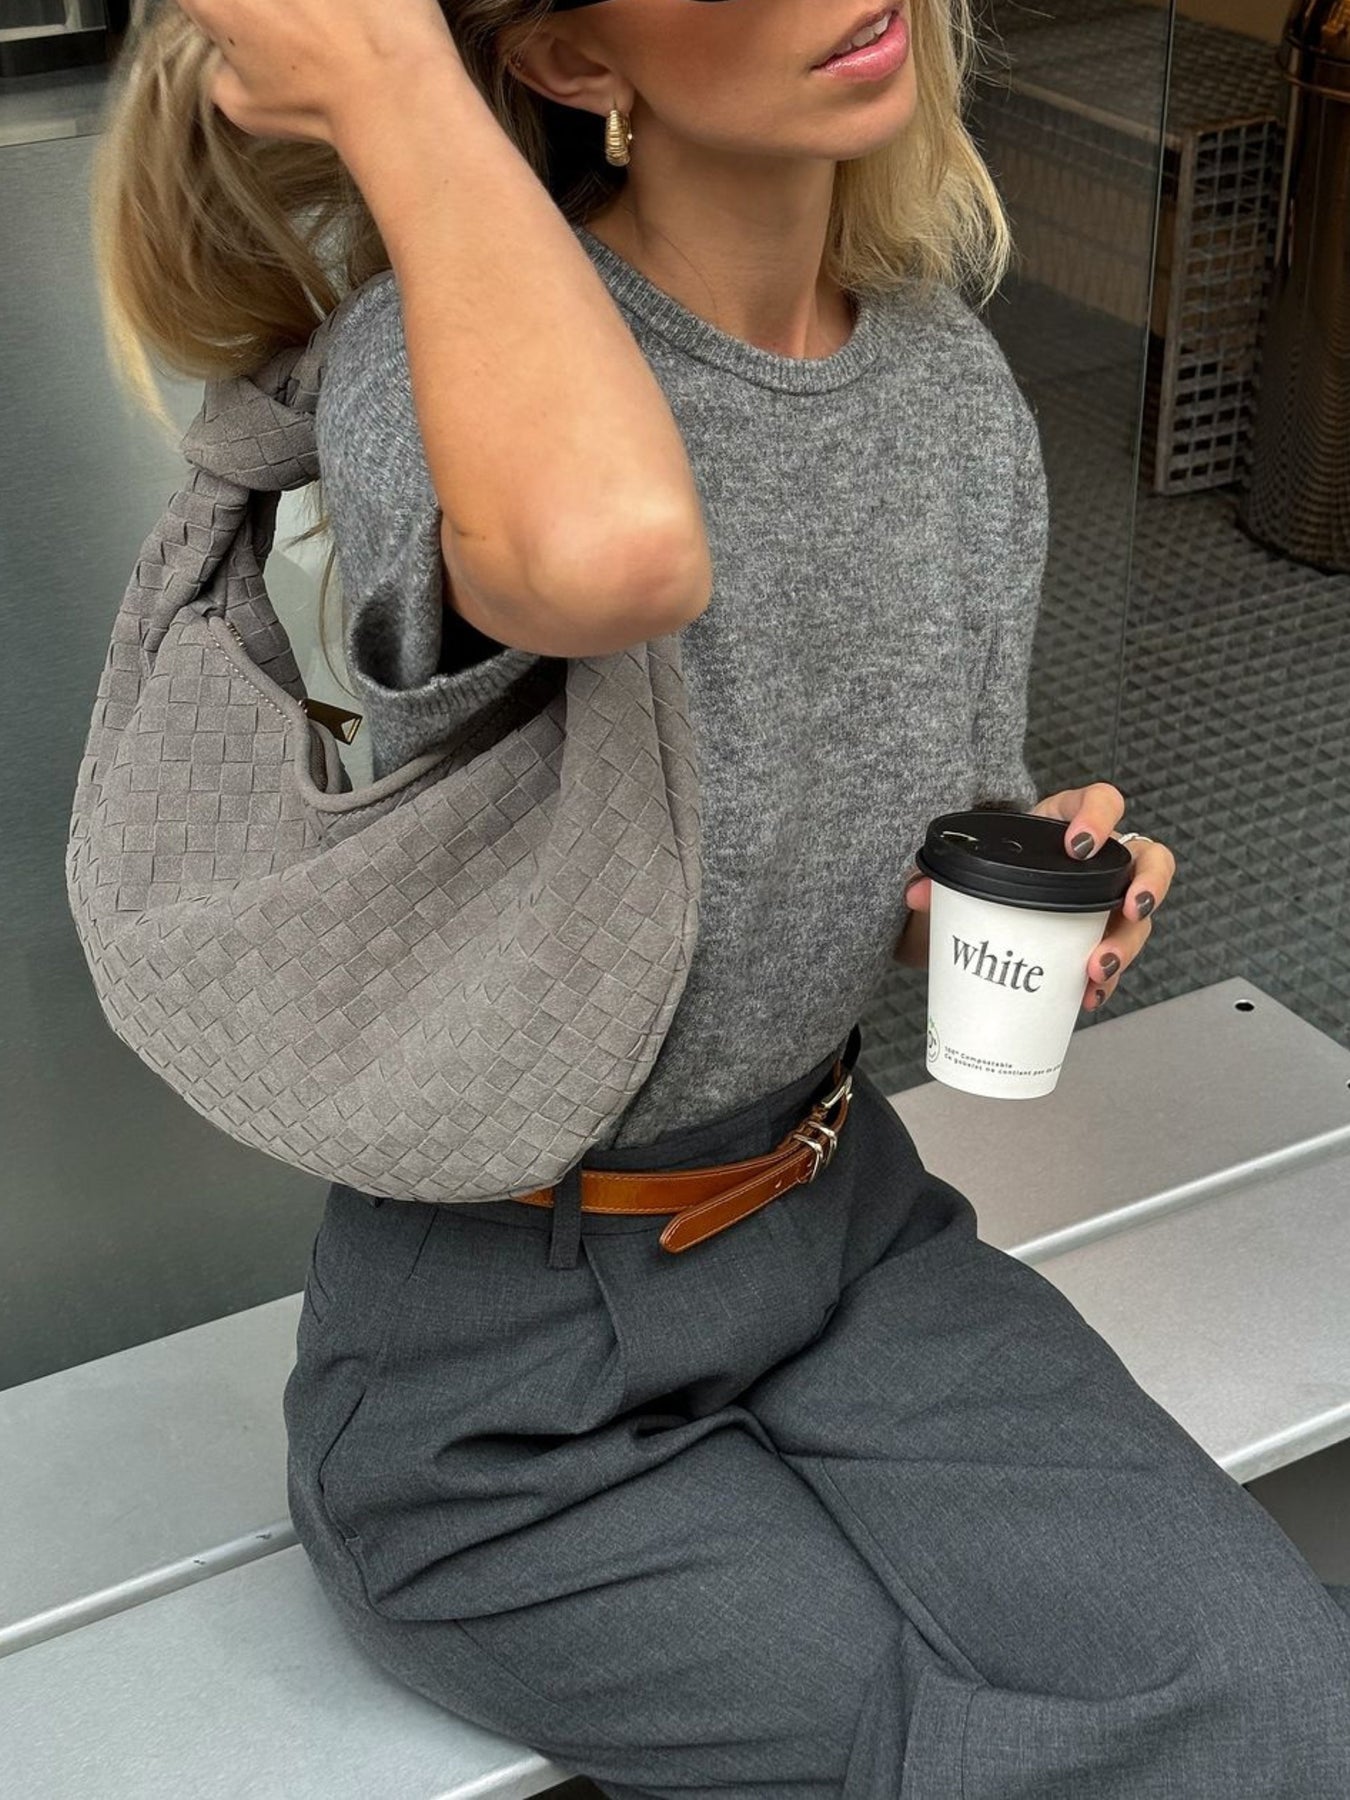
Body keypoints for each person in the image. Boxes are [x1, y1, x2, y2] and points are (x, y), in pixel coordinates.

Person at [92, 3, 1348, 1795]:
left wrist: (1004, 897)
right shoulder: (430, 370)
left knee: (1287, 1695)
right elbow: (612, 557)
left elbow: (878, 840)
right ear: (570, 62)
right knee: (995, 1769)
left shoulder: (939, 378)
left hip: (847, 1238)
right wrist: (389, 78)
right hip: (504, 1392)